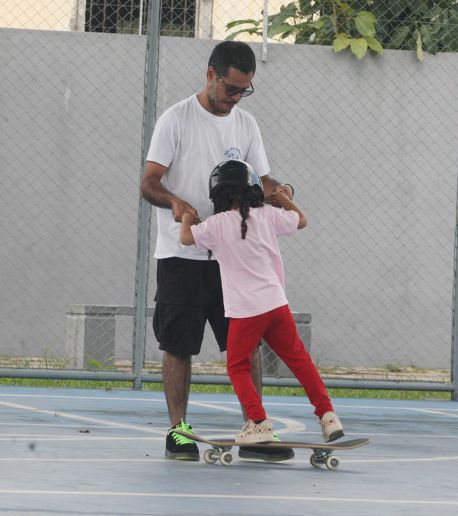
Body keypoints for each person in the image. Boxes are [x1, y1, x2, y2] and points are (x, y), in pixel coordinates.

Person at [140, 41, 296, 461]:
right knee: (178, 343)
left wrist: (280, 192)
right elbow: (150, 181)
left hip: (234, 256)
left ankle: (256, 426)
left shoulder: (245, 124)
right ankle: (180, 431)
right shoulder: (176, 119)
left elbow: (261, 181)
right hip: (183, 253)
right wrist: (175, 203)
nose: (234, 98)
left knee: (247, 343)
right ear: (211, 75)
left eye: (244, 90)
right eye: (230, 88)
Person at [180, 160, 343, 444]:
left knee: (237, 367)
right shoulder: (268, 214)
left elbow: (185, 239)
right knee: (300, 361)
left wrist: (187, 218)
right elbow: (301, 220)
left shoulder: (216, 224)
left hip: (245, 310)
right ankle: (328, 417)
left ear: (218, 194)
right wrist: (282, 199)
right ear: (253, 189)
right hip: (276, 303)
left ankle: (257, 421)